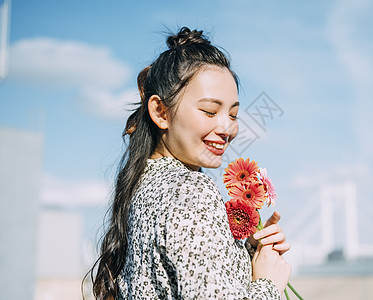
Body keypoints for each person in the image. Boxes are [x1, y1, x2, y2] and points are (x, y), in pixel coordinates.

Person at [89, 27, 292, 299]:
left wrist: (247, 254)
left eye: (233, 115)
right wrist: (269, 284)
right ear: (161, 112)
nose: (227, 128)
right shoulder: (190, 190)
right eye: (210, 111)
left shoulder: (141, 187)